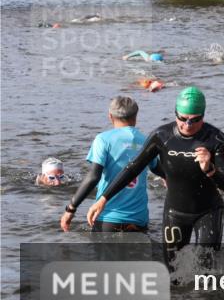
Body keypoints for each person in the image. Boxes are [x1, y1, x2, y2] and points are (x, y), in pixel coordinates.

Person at [87, 87, 224, 270]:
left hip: (208, 212)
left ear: (203, 116)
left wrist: (210, 168)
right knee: (172, 273)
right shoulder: (161, 136)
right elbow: (133, 168)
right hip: (175, 213)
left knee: (206, 269)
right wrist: (103, 199)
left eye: (195, 120)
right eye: (183, 118)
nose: (188, 124)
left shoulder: (215, 138)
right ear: (175, 114)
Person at [61, 96, 157, 233]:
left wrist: (71, 208)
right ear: (136, 116)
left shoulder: (103, 140)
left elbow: (93, 177)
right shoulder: (147, 141)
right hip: (139, 220)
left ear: (110, 116)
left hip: (108, 218)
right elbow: (162, 171)